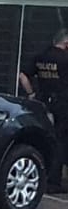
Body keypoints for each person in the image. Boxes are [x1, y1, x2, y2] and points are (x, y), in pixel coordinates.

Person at [19, 30, 68, 193]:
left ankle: (43, 176)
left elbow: (23, 76)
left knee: (45, 137)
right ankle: (54, 182)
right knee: (60, 140)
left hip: (42, 102)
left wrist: (31, 94)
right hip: (63, 103)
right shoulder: (65, 58)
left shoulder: (40, 56)